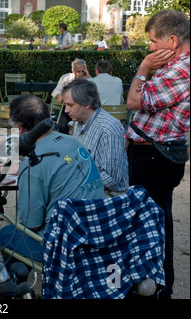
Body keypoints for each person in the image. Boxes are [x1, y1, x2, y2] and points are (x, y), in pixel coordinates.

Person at [0, 94, 105, 263]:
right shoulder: (74, 142)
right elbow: (54, 169)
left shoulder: (32, 164)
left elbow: (31, 224)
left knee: (6, 233)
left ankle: (13, 286)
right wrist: (10, 169)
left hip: (65, 246)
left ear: (19, 128)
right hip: (98, 232)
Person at [125, 10, 190, 299]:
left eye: (153, 42)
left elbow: (133, 101)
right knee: (151, 220)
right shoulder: (175, 65)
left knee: (152, 223)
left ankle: (157, 289)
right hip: (151, 154)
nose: (150, 48)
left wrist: (144, 66)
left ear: (172, 40)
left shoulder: (180, 70)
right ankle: (151, 285)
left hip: (153, 157)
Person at [63, 78, 129, 195]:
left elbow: (110, 179)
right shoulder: (79, 121)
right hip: (87, 186)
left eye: (70, 105)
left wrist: (74, 190)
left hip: (108, 195)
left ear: (87, 103)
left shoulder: (108, 129)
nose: (66, 110)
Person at [51, 58, 91, 133]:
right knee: (63, 120)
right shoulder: (65, 78)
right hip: (66, 108)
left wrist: (88, 75)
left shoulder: (88, 80)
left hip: (81, 109)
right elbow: (56, 91)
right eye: (79, 71)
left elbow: (96, 87)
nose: (81, 74)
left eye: (83, 71)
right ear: (73, 71)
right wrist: (59, 95)